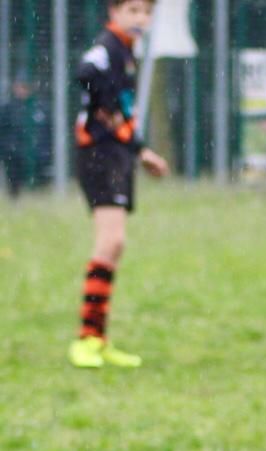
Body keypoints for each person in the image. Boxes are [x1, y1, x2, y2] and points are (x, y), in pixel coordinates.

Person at [68, 0, 169, 370]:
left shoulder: (126, 51)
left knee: (115, 244)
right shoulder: (107, 47)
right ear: (114, 12)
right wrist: (104, 106)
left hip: (117, 154)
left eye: (146, 12)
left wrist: (141, 152)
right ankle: (86, 340)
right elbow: (86, 71)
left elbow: (123, 114)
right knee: (110, 241)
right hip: (99, 155)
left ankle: (96, 337)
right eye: (133, 11)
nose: (140, 19)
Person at [0, 79, 51, 198]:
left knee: (39, 181)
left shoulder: (39, 107)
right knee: (14, 180)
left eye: (25, 87)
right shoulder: (8, 108)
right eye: (20, 87)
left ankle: (37, 198)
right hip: (14, 152)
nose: (22, 90)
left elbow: (46, 131)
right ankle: (15, 199)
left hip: (36, 153)